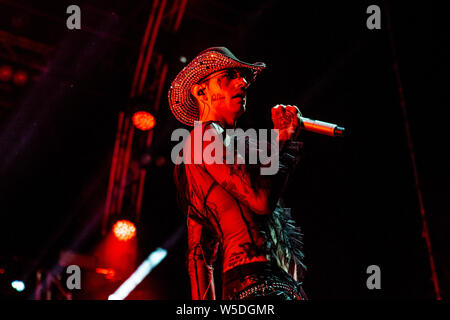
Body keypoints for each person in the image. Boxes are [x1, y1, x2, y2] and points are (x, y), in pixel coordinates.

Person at [168, 47, 307, 300]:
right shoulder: (204, 136)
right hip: (258, 287)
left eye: (243, 77)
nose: (242, 83)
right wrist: (283, 138)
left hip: (266, 287)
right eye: (230, 75)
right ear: (201, 91)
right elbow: (260, 199)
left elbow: (199, 254)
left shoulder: (231, 150)